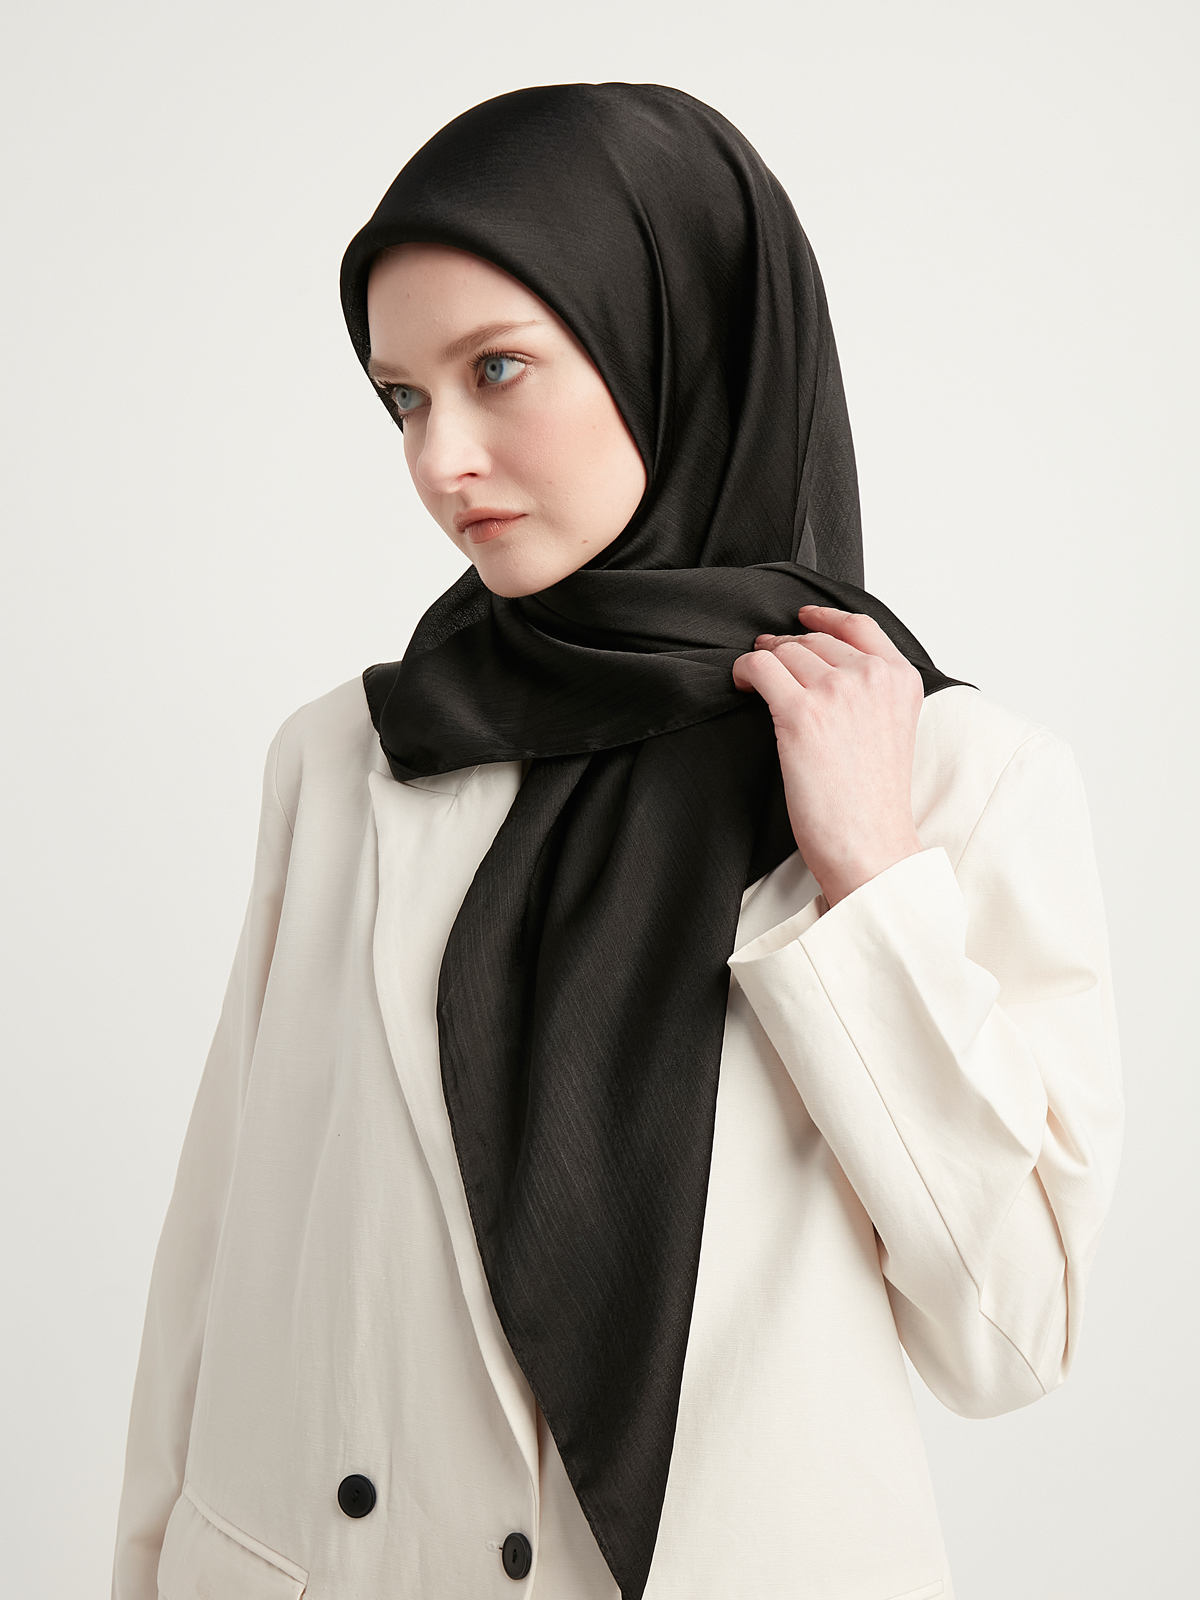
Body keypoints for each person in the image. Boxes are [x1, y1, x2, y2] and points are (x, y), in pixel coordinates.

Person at [112, 84, 1123, 1600]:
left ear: (675, 341)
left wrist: (870, 879)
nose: (439, 459)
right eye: (403, 398)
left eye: (496, 368)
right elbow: (216, 1259)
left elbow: (1010, 1336)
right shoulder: (352, 756)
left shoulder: (955, 777)